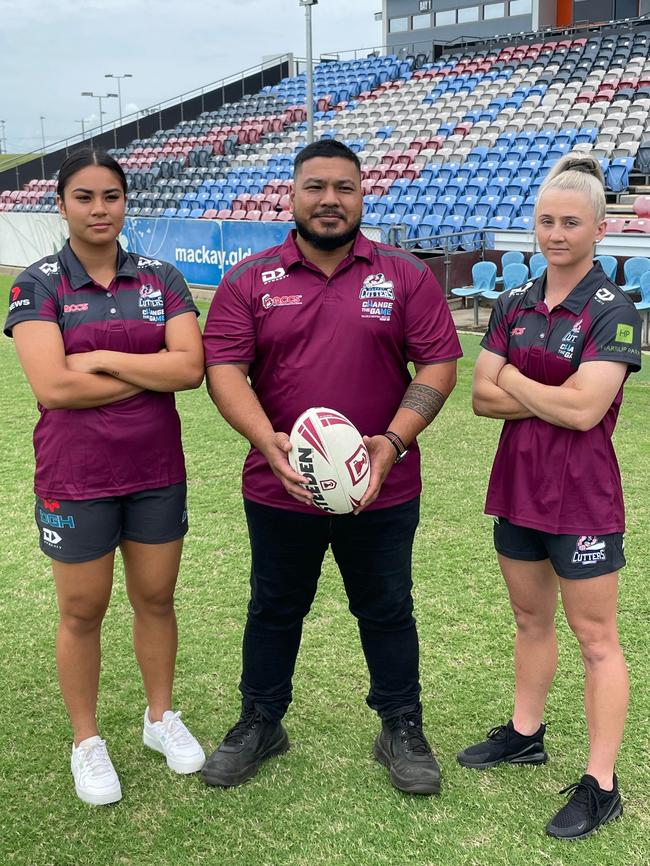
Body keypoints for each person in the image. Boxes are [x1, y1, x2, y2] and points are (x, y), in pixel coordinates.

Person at [200, 139, 461, 795]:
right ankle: (261, 720)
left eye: (344, 187)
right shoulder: (248, 279)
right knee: (274, 607)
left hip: (383, 486)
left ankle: (400, 724)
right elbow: (224, 369)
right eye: (315, 186)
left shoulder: (405, 276)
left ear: (362, 194)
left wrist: (393, 442)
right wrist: (267, 441)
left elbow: (438, 364)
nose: (329, 200)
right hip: (279, 486)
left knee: (387, 608)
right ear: (291, 195)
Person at [4, 149, 206, 806]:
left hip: (155, 473)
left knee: (156, 599)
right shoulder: (36, 284)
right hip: (75, 475)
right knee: (83, 610)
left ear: (125, 202)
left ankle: (158, 719)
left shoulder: (161, 277)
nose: (99, 209)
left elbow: (189, 371)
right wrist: (143, 370)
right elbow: (54, 386)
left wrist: (101, 358)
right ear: (61, 204)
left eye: (111, 196)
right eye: (85, 197)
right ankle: (87, 741)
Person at [458, 155, 642, 839]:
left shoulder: (614, 311)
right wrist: (551, 393)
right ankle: (525, 733)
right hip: (517, 488)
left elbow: (585, 413)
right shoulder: (514, 303)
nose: (556, 232)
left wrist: (519, 383)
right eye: (545, 220)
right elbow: (479, 397)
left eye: (571, 221)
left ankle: (601, 784)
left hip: (583, 498)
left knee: (597, 640)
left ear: (599, 228)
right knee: (528, 621)